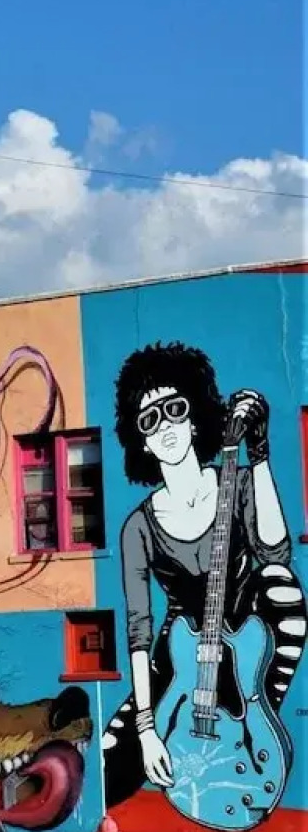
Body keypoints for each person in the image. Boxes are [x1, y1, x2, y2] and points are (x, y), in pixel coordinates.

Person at [101, 342, 305, 808]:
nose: (165, 425)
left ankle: (258, 712)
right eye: (149, 419)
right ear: (142, 442)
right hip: (180, 653)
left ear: (195, 417)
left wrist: (260, 454)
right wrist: (148, 730)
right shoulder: (138, 525)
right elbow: (138, 629)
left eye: (174, 408)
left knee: (281, 588)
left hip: (250, 628)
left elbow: (275, 550)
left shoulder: (236, 479)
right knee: (113, 763)